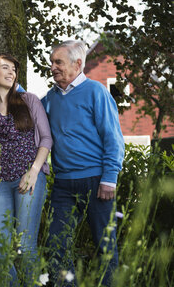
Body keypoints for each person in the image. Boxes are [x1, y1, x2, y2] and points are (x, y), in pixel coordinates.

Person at [41, 40, 125, 287]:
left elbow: (113, 138)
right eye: (52, 62)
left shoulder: (96, 92)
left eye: (58, 62)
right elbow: (30, 110)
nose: (53, 67)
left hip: (97, 181)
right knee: (56, 246)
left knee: (105, 246)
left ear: (78, 63)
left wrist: (110, 178)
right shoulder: (50, 98)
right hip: (64, 185)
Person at [0, 53, 52, 285]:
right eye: (5, 68)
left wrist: (34, 171)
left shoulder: (29, 101)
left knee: (25, 245)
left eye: (14, 70)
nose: (11, 73)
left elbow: (46, 139)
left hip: (28, 180)